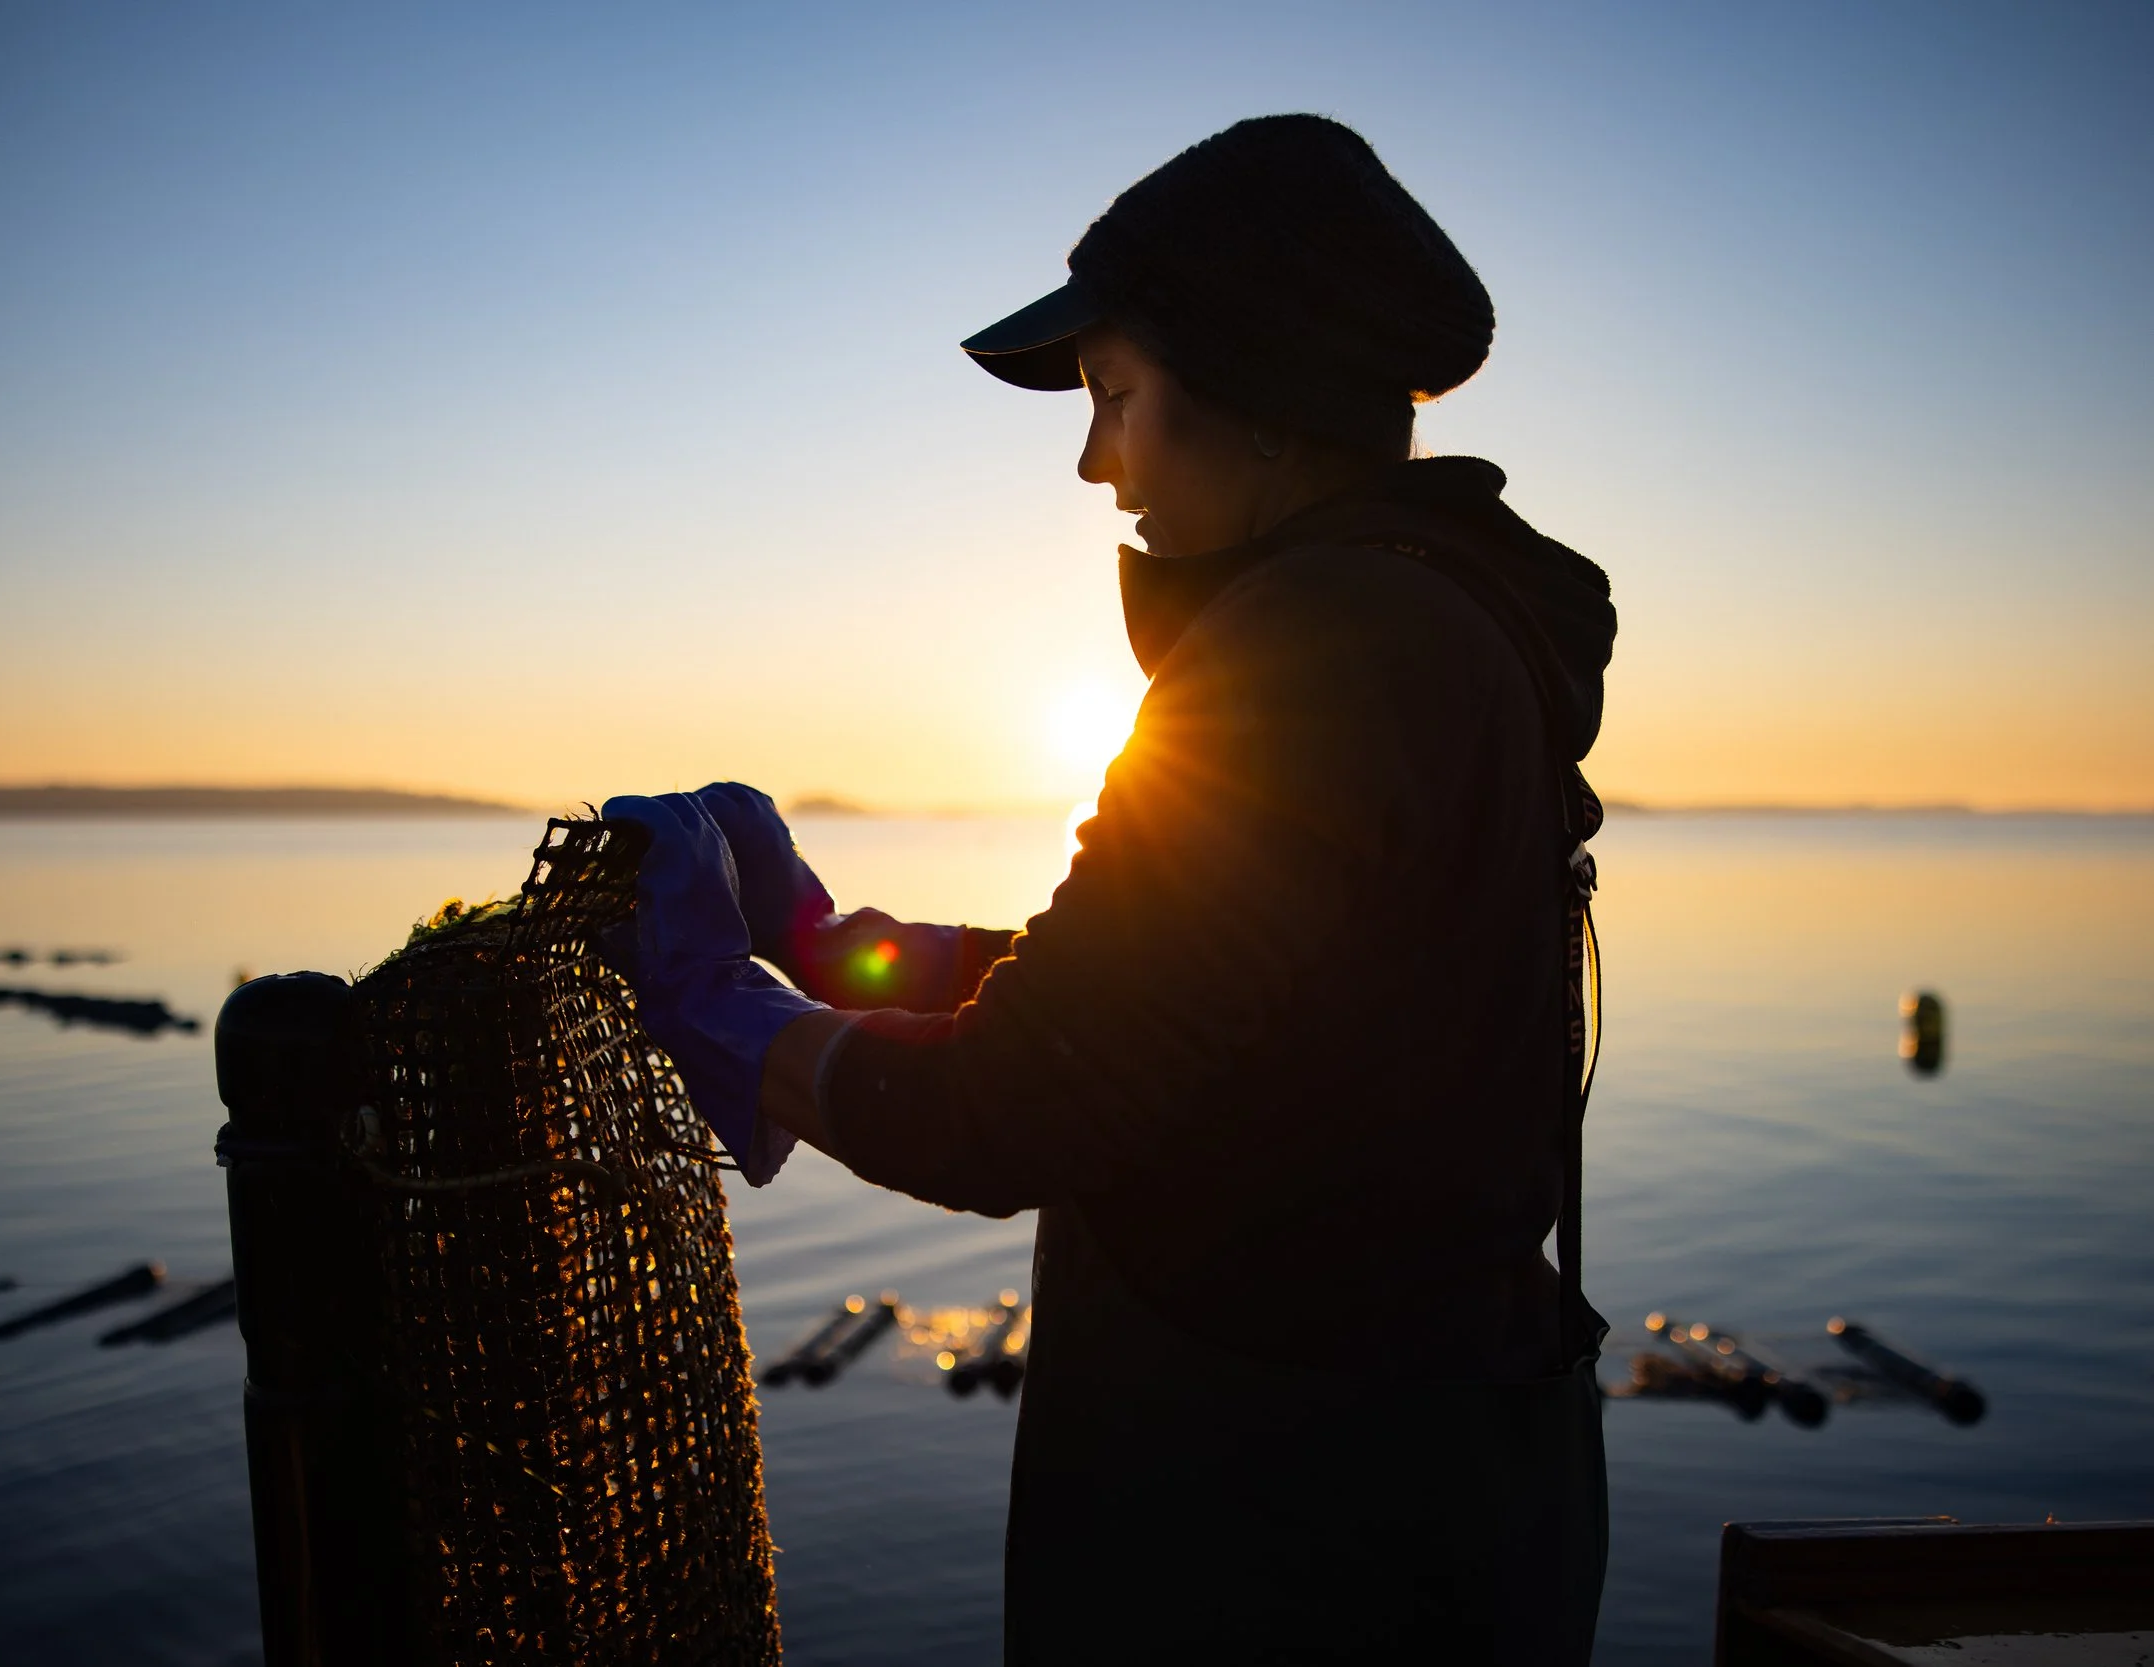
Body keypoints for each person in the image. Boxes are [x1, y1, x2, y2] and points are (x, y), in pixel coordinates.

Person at [600, 114, 1616, 1663]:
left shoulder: (1307, 648)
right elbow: (1256, 995)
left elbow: (1013, 1109)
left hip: (1278, 1549)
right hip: (1437, 1497)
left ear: (1264, 404)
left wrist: (724, 1011)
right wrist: (862, 956)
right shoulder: (1444, 623)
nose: (1094, 460)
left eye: (1117, 399)